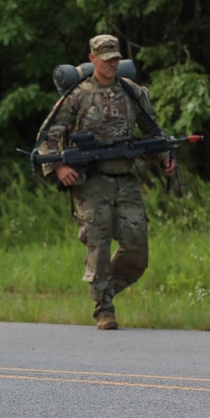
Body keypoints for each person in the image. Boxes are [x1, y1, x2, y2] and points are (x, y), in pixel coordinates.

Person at [36, 34, 176, 330]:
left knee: (137, 250)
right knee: (97, 246)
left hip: (125, 178)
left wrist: (165, 157)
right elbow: (46, 139)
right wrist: (60, 168)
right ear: (92, 59)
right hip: (91, 181)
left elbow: (153, 130)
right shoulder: (77, 95)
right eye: (106, 58)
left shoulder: (132, 91)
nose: (112, 63)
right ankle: (104, 310)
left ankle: (103, 290)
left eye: (115, 58)